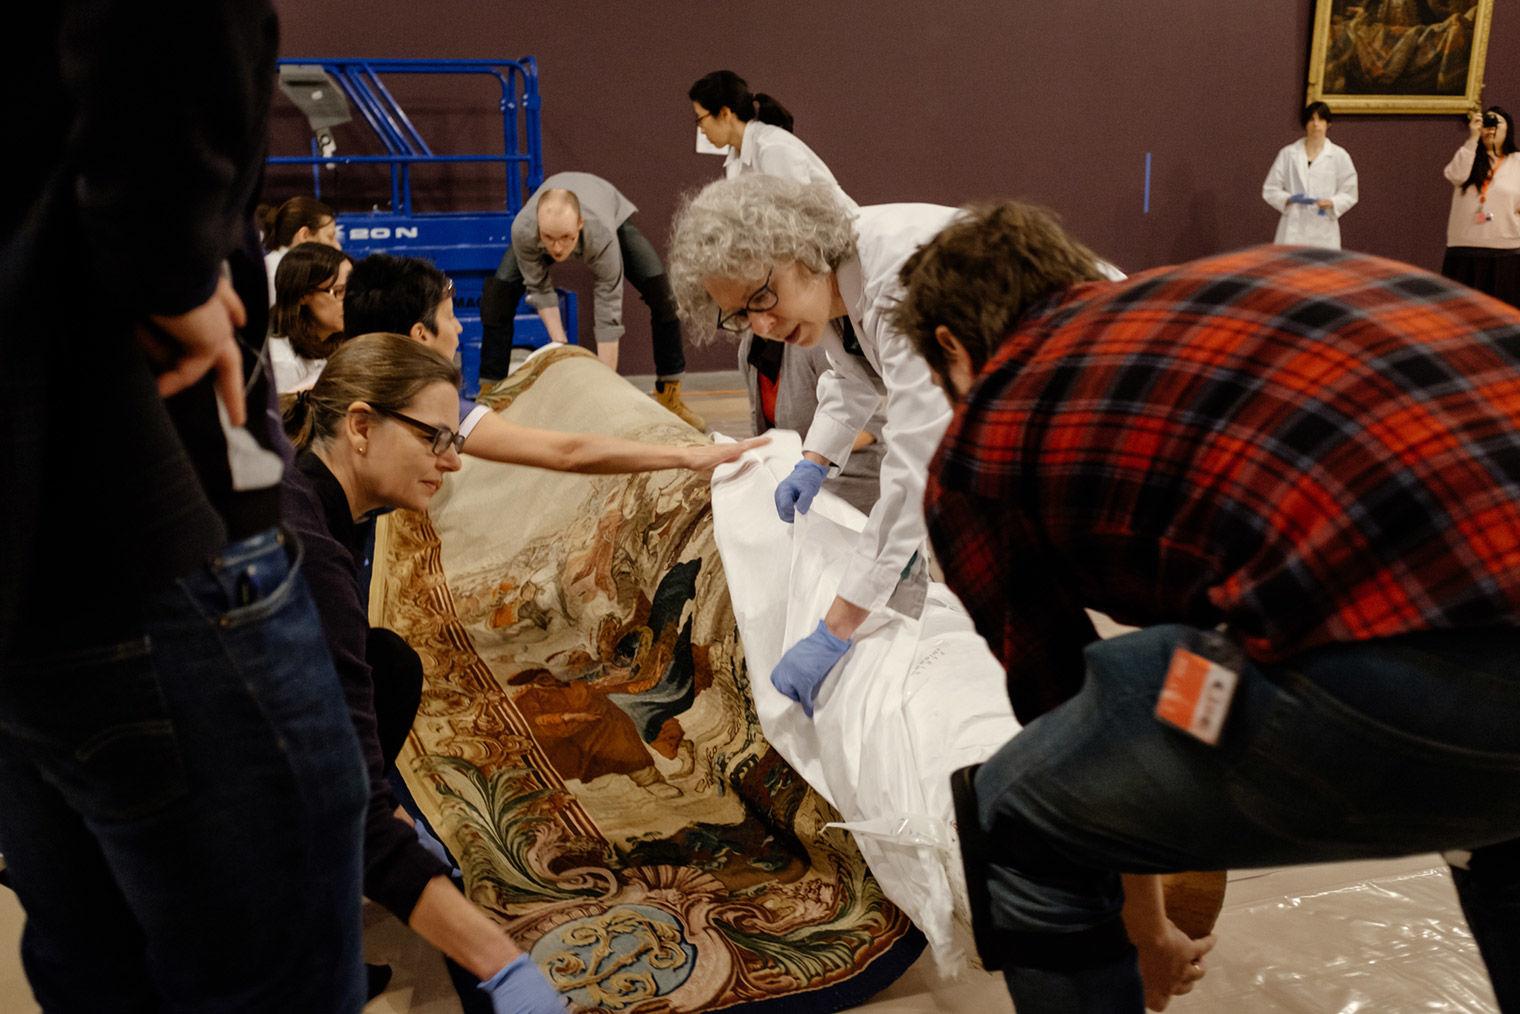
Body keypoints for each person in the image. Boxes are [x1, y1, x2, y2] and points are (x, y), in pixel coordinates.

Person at [890, 200, 1520, 1013]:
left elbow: (1066, 722)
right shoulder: (1244, 291)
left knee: (1015, 811)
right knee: (1507, 842)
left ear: (952, 348)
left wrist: (1144, 933)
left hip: (1408, 654)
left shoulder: (989, 432)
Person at [1, 2, 370, 1010]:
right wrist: (168, 269)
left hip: (40, 566)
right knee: (268, 937)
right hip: (147, 519)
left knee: (95, 948)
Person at [283, 333, 566, 1013]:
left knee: (389, 664)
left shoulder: (316, 499)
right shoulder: (310, 557)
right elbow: (343, 798)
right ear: (360, 426)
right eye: (434, 438)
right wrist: (503, 965)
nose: (452, 462)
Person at [668, 175, 958, 718]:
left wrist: (837, 628)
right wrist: (814, 462)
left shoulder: (896, 277)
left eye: (762, 296)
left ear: (801, 247)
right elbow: (854, 377)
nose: (762, 324)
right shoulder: (837, 290)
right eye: (740, 314)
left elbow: (918, 463)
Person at [344, 252, 763, 473]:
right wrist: (686, 456)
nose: (459, 331)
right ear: (420, 335)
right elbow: (568, 452)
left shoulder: (343, 381)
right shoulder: (429, 403)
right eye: (451, 318)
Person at [476, 172, 704, 429]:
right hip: (544, 228)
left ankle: (669, 395)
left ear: (580, 224)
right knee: (497, 299)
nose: (558, 249)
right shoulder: (524, 230)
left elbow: (609, 301)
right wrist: (559, 345)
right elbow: (539, 287)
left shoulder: (601, 234)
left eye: (566, 238)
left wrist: (604, 388)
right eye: (549, 239)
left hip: (608, 211)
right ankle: (489, 398)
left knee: (665, 298)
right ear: (539, 227)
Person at [688, 70, 858, 210]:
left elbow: (797, 220)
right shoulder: (735, 159)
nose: (701, 128)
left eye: (700, 119)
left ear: (725, 113)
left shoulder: (772, 148)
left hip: (849, 240)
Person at [1442, 105, 1520, 306]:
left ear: (1508, 129)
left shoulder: (1517, 162)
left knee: (1503, 317)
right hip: (1464, 249)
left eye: (1497, 123)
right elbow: (1454, 175)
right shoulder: (1468, 156)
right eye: (1487, 123)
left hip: (1506, 252)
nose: (1490, 128)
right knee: (1459, 315)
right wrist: (1472, 138)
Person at [1261, 100, 1358, 249]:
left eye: (1321, 119)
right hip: (1293, 225)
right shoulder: (1288, 154)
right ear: (1305, 123)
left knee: (1321, 268)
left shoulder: (1339, 156)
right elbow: (1270, 189)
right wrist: (1288, 199)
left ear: (1328, 124)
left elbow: (1350, 192)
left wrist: (1332, 202)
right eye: (1311, 119)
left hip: (1323, 224)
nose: (1316, 124)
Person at [269, 241, 353, 392]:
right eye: (339, 291)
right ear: (302, 295)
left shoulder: (333, 342)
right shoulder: (282, 361)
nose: (350, 301)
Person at [260, 194, 341, 306]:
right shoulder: (276, 276)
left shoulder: (292, 272)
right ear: (305, 235)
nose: (337, 247)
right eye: (330, 237)